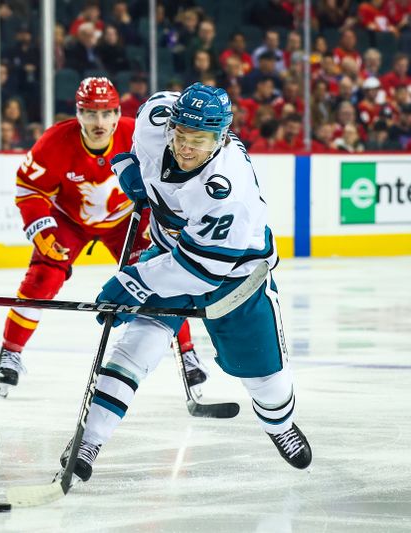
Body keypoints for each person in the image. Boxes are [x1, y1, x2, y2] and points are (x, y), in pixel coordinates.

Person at [58, 83, 312, 485]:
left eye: (200, 140)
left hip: (234, 275)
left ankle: (280, 424)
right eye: (181, 135)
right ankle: (88, 440)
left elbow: (202, 269)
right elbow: (135, 136)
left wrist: (134, 281)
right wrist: (133, 169)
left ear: (221, 139)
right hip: (167, 251)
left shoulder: (229, 189)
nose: (187, 147)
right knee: (135, 347)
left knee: (265, 377)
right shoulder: (156, 118)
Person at [0, 77, 207, 398]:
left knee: (162, 277)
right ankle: (10, 351)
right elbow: (30, 188)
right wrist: (41, 227)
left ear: (119, 112)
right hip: (70, 221)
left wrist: (161, 216)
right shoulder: (54, 142)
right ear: (77, 113)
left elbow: (169, 171)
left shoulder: (138, 134)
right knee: (42, 277)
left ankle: (186, 351)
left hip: (127, 222)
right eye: (91, 113)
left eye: (108, 113)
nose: (100, 122)